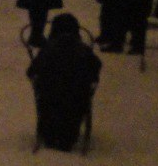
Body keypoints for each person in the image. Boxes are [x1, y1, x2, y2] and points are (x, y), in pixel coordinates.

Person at [26, 12, 102, 152]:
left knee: (49, 105)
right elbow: (95, 68)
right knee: (74, 108)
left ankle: (50, 134)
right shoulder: (84, 50)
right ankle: (67, 136)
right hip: (78, 95)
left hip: (49, 94)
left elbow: (32, 71)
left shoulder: (48, 49)